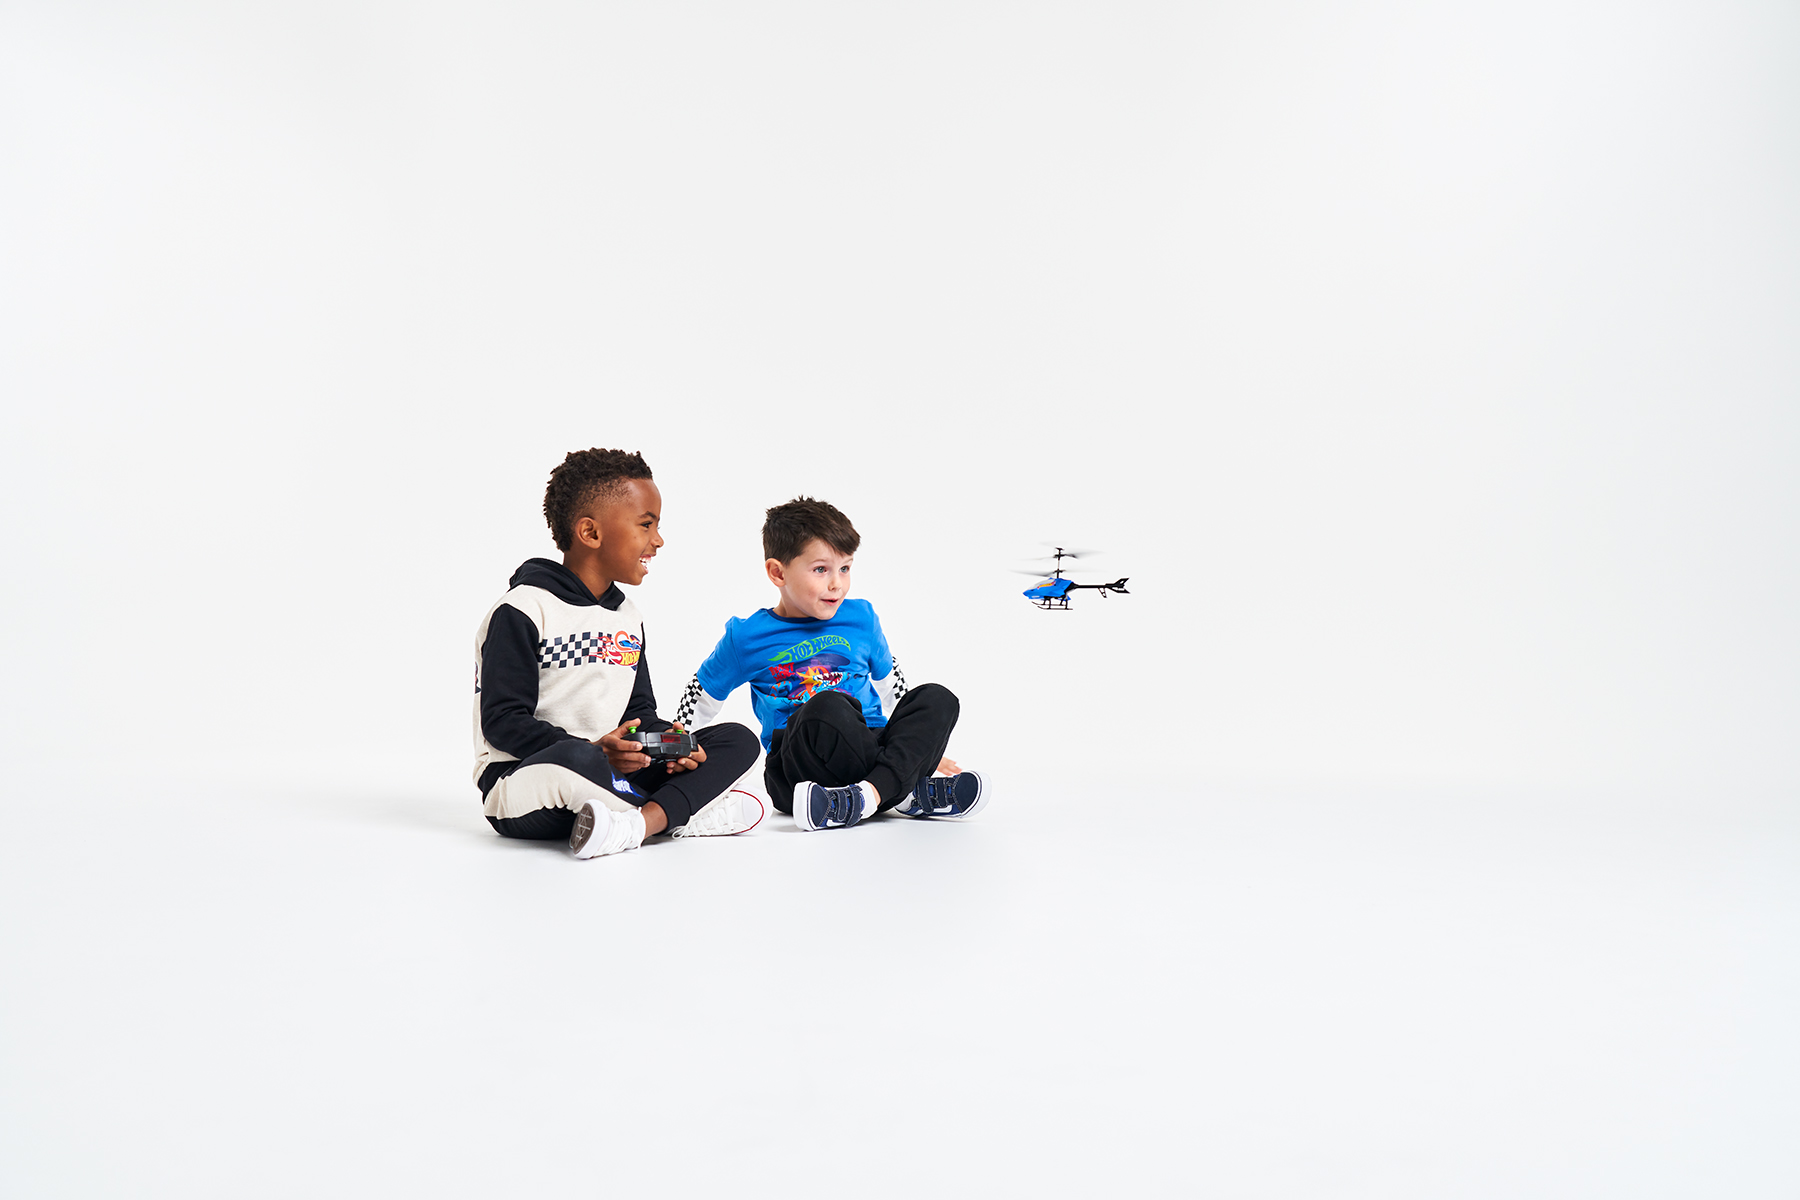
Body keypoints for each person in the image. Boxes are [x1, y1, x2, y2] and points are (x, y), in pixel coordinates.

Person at [473, 448, 763, 858]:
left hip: (612, 773)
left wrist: (670, 745)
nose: (658, 540)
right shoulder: (523, 610)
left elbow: (639, 715)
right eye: (646, 525)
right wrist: (597, 750)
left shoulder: (628, 617)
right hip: (526, 780)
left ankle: (637, 824)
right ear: (590, 533)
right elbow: (502, 723)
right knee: (575, 758)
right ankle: (681, 813)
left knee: (736, 739)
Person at [674, 496, 987, 831]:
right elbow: (702, 693)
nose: (836, 583)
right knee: (830, 707)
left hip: (871, 740)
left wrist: (916, 748)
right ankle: (906, 791)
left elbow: (892, 686)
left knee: (937, 698)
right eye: (821, 569)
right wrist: (676, 746)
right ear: (777, 572)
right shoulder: (747, 636)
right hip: (798, 762)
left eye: (845, 568)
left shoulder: (861, 618)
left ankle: (866, 796)